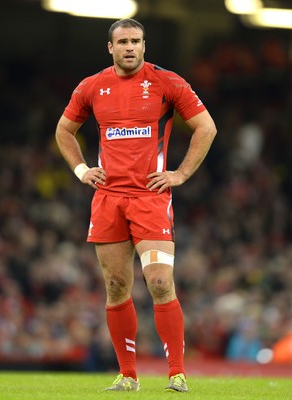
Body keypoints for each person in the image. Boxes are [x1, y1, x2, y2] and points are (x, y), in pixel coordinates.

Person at [55, 18, 216, 392]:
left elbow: (206, 127)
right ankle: (128, 375)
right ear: (109, 48)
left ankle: (177, 372)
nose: (130, 47)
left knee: (160, 281)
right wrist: (81, 169)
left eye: (137, 41)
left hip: (150, 198)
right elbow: (64, 130)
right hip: (108, 198)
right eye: (123, 41)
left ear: (145, 45)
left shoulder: (168, 82)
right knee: (115, 285)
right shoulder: (91, 87)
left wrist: (181, 174)